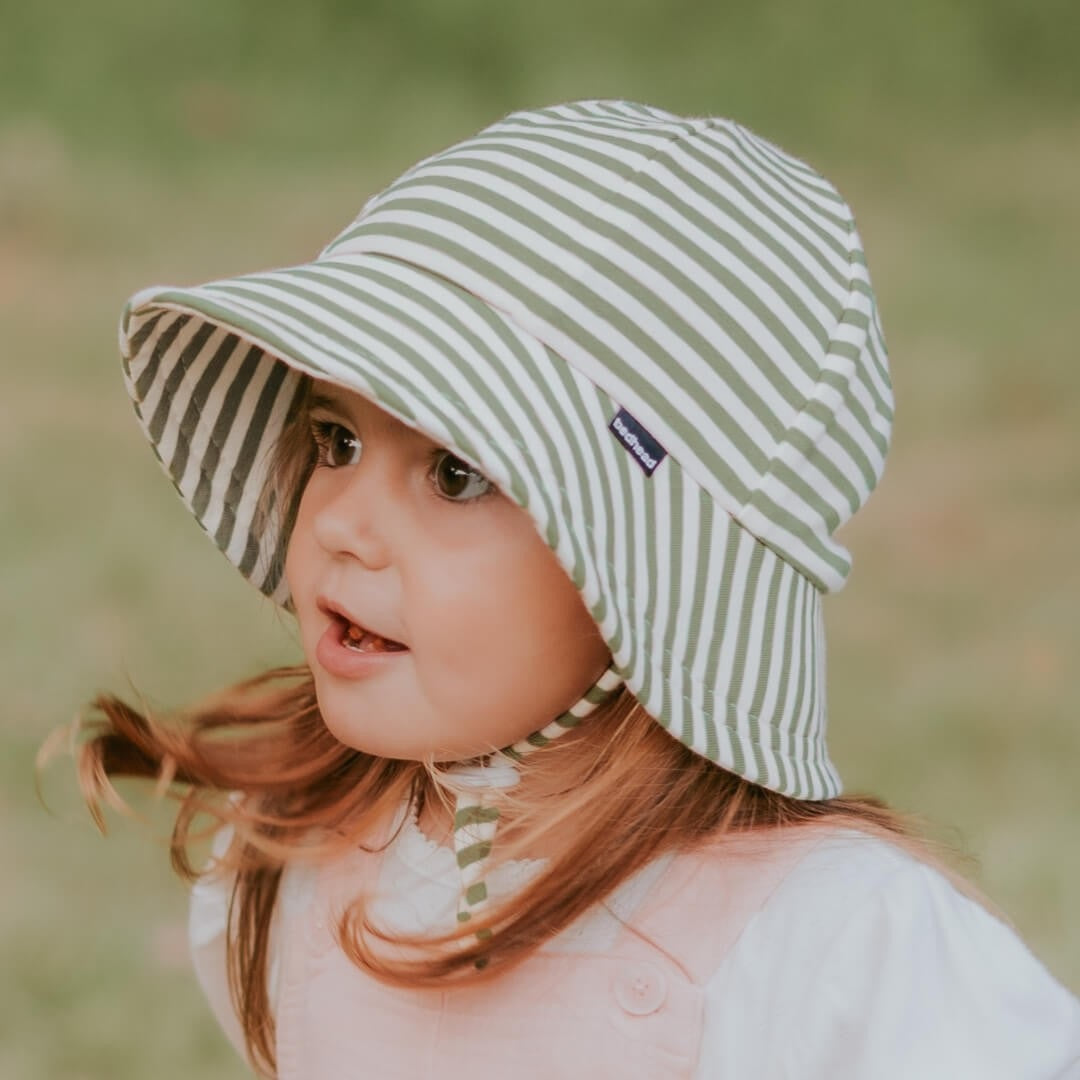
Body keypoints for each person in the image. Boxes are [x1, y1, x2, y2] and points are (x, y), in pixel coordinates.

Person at [71, 100, 1080, 1078]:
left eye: (455, 474)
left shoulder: (830, 947)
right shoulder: (290, 863)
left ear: (652, 576)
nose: (337, 522)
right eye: (334, 440)